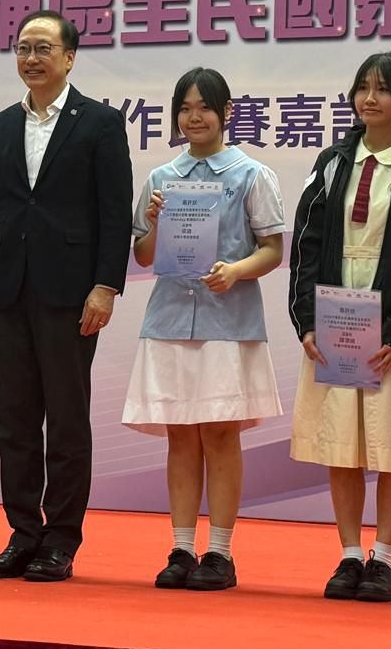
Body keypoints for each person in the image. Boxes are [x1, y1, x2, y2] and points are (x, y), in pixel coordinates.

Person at [0, 10, 133, 583]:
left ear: (69, 57)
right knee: (14, 420)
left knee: (65, 420)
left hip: (71, 292)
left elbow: (115, 213)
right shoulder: (0, 125)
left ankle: (60, 538)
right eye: (22, 48)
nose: (31, 58)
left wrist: (106, 286)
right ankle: (22, 533)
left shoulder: (100, 123)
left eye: (43, 48)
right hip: (9, 288)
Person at [122, 68, 286, 592]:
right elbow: (144, 256)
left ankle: (219, 551)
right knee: (180, 434)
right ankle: (180, 547)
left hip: (227, 323)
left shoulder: (251, 174)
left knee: (219, 433)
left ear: (227, 112)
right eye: (185, 108)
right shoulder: (161, 177)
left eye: (205, 107)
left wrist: (236, 270)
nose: (194, 117)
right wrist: (152, 223)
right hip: (170, 319)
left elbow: (273, 250)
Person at [288, 52, 391, 603]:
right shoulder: (332, 161)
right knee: (342, 445)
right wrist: (307, 321)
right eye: (362, 88)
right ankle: (350, 554)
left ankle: (384, 559)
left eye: (382, 89)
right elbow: (306, 243)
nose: (369, 99)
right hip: (335, 321)